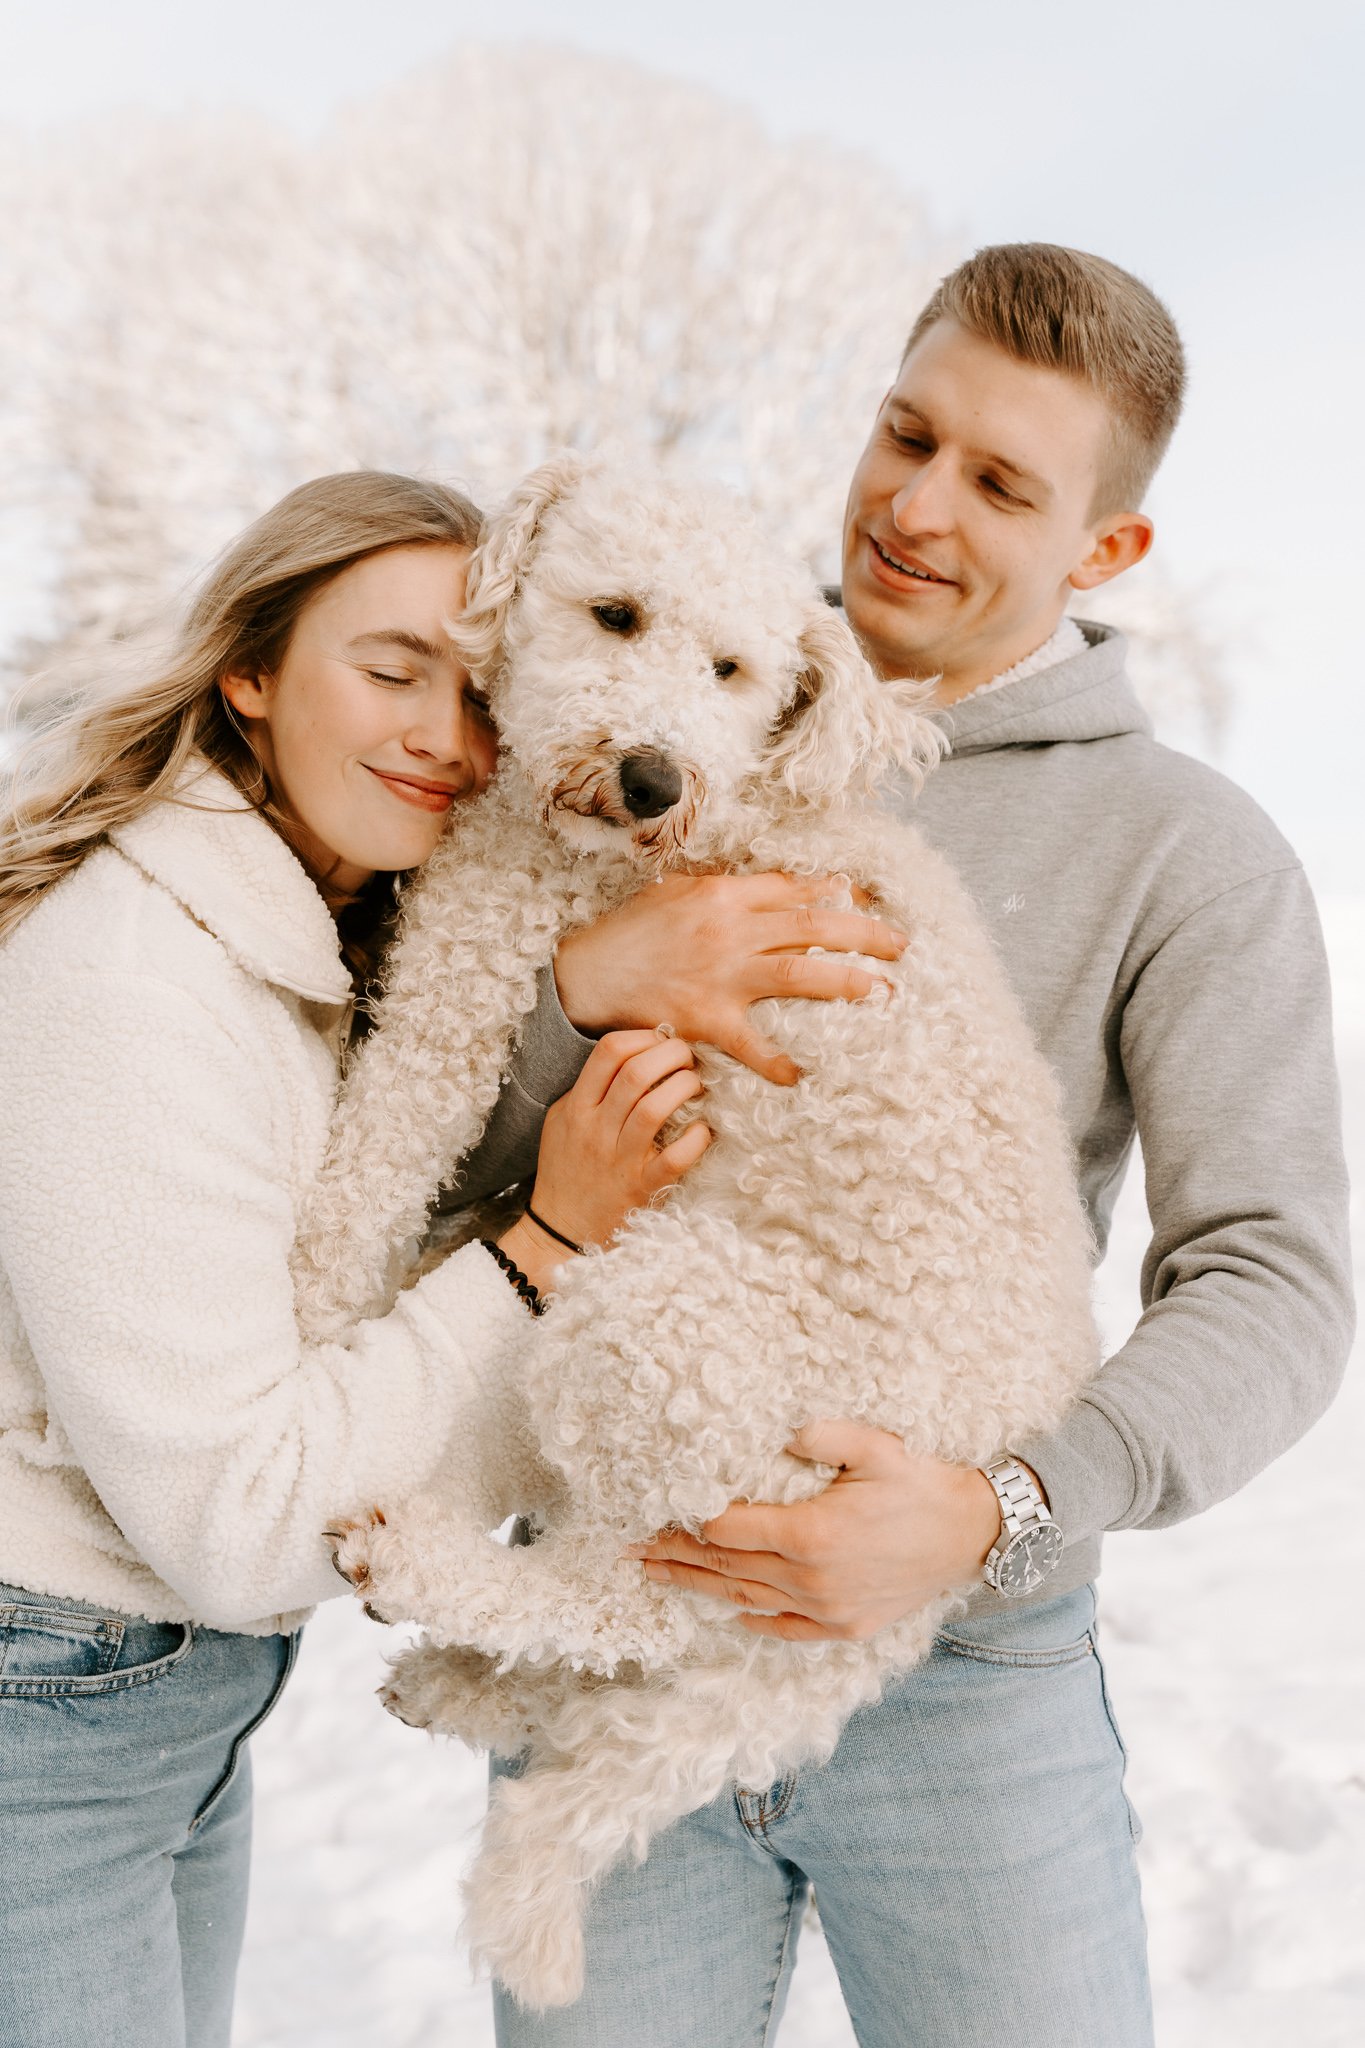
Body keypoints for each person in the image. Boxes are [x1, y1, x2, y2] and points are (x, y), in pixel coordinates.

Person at [500, 246, 1355, 2045]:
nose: (913, 507)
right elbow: (456, 1151)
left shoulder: (1184, 851)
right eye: (906, 436)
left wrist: (994, 1513)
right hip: (620, 1603)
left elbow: (1273, 1277)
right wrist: (586, 991)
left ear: (1104, 549)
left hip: (965, 1683)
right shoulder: (649, 700)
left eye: (999, 484)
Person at [0, 470, 905, 2048]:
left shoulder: (303, 934)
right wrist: (547, 1242)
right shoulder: (134, 984)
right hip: (49, 1702)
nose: (448, 737)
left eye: (478, 690)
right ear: (251, 671)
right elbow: (243, 1522)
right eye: (389, 670)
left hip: (154, 1699)